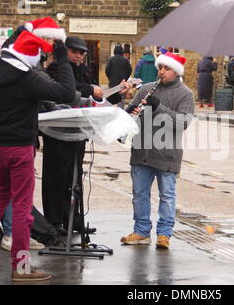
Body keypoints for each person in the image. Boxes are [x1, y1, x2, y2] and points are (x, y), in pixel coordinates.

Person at [0, 31, 76, 281]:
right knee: (22, 206)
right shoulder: (28, 78)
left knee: (1, 194)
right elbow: (67, 92)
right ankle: (21, 266)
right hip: (20, 147)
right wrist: (61, 56)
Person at [42, 36, 129, 236]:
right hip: (58, 130)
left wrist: (118, 92)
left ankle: (72, 219)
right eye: (75, 52)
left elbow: (99, 95)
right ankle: (54, 221)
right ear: (66, 52)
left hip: (78, 130)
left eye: (82, 53)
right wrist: (90, 89)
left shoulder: (82, 71)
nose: (79, 56)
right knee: (56, 177)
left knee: (74, 177)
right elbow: (66, 90)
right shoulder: (57, 68)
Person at [121, 52, 195, 249]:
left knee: (167, 196)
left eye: (166, 68)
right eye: (160, 68)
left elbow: (183, 122)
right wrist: (128, 111)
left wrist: (159, 107)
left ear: (176, 72)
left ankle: (164, 234)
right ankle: (141, 231)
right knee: (139, 193)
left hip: (167, 153)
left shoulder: (185, 94)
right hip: (141, 150)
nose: (161, 72)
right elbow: (129, 113)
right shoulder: (146, 88)